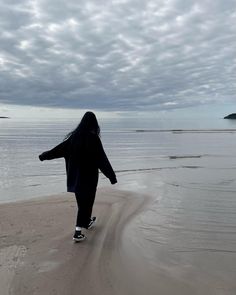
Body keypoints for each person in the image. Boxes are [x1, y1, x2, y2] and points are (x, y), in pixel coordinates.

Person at [39, 112, 117, 242]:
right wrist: (112, 177)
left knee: (82, 203)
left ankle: (86, 222)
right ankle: (77, 232)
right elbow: (102, 160)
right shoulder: (93, 139)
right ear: (94, 124)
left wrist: (44, 156)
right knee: (86, 204)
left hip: (75, 178)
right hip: (89, 179)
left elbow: (57, 150)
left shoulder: (73, 138)